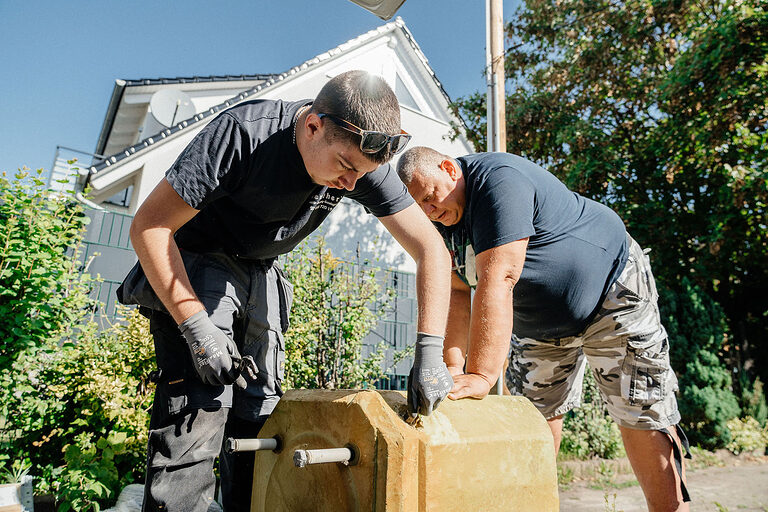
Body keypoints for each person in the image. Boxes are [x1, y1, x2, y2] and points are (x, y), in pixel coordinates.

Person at [117, 71, 454, 512]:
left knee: (262, 419)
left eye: (364, 174)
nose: (352, 186)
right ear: (313, 126)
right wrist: (196, 326)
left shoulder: (359, 161)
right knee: (200, 413)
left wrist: (429, 350)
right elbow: (150, 225)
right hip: (195, 265)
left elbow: (432, 249)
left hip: (260, 269)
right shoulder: (243, 135)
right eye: (346, 168)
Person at [397, 147, 692, 512]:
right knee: (533, 419)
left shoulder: (497, 181)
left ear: (448, 169)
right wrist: (453, 370)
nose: (428, 211)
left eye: (430, 197)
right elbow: (458, 292)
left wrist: (481, 375)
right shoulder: (440, 225)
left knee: (639, 411)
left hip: (612, 291)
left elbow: (499, 277)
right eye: (419, 206)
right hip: (540, 323)